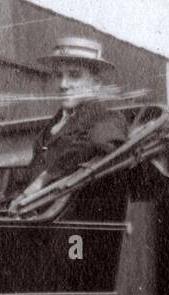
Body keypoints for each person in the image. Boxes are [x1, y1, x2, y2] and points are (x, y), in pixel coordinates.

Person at [15, 36, 130, 204]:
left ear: (96, 83)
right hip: (31, 213)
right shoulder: (55, 123)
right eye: (58, 75)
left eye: (74, 75)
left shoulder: (109, 119)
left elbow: (96, 141)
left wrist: (43, 180)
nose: (63, 84)